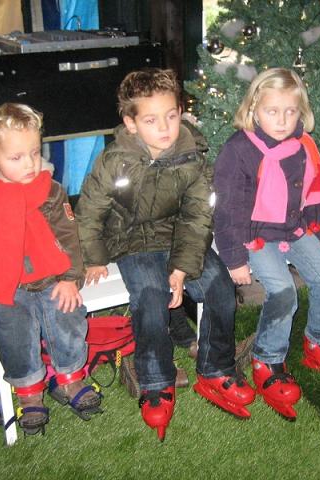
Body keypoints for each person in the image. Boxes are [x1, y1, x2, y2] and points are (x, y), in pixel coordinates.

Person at [75, 68, 254, 441]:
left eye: (171, 116)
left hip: (179, 236)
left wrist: (181, 269)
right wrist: (93, 257)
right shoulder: (114, 159)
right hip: (131, 239)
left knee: (220, 287)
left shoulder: (192, 156)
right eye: (151, 120)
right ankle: (156, 379)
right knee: (150, 295)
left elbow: (198, 215)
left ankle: (215, 368)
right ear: (131, 123)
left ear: (180, 112)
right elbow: (90, 210)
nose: (164, 128)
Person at [0, 103, 101, 436]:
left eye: (34, 153)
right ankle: (29, 390)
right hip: (6, 283)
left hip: (51, 277)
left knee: (67, 316)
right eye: (16, 157)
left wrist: (70, 278)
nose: (30, 164)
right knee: (12, 332)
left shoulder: (50, 190)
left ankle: (71, 377)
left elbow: (68, 235)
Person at [213, 68, 320, 421]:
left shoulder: (303, 145)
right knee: (282, 291)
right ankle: (268, 358)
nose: (281, 120)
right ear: (254, 109)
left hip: (293, 228)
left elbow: (313, 193)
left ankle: (319, 340)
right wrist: (235, 258)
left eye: (290, 111)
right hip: (254, 233)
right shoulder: (239, 149)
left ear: (301, 112)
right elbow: (228, 210)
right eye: (272, 111)